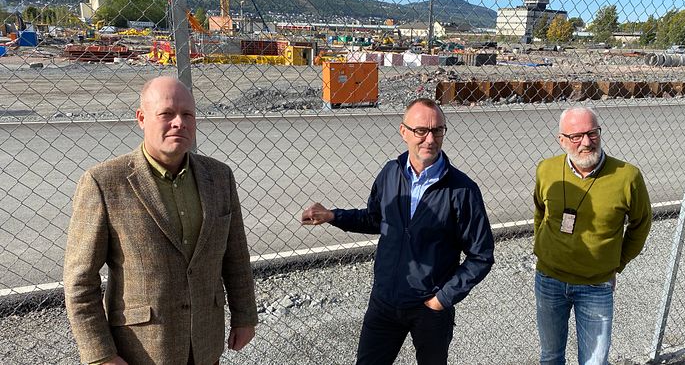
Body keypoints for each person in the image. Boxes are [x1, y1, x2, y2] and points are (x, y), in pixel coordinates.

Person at [64, 76, 258, 365]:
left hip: (205, 345)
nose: (179, 122)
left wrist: (245, 316)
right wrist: (101, 354)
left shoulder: (219, 177)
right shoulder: (104, 183)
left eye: (188, 114)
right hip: (141, 351)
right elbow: (80, 281)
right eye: (167, 113)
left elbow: (236, 256)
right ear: (141, 118)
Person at [301, 97, 494, 365]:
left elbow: (481, 255)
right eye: (421, 131)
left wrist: (442, 298)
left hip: (429, 308)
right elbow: (375, 219)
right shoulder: (391, 173)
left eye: (437, 130)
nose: (430, 139)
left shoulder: (462, 189)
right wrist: (334, 216)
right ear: (404, 132)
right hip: (385, 301)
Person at [533, 106, 652, 364]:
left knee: (594, 361)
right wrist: (544, 250)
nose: (586, 142)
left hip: (596, 286)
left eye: (592, 133)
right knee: (551, 356)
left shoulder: (627, 176)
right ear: (561, 140)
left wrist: (616, 263)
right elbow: (540, 213)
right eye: (576, 136)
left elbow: (641, 224)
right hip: (549, 280)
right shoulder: (546, 170)